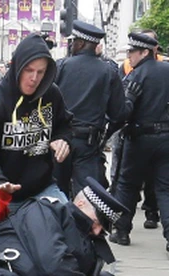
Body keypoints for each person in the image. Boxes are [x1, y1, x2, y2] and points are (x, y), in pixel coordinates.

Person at [0, 33, 73, 209]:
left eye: (41, 72)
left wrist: (63, 139)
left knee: (70, 226)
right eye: (29, 70)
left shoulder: (52, 94)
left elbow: (65, 124)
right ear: (17, 67)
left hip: (43, 188)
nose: (34, 78)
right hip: (6, 193)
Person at [54, 21, 129, 197]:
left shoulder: (61, 66)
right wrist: (104, 136)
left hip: (59, 141)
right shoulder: (108, 71)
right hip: (88, 143)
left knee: (56, 195)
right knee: (87, 200)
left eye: (73, 42)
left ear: (80, 43)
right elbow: (119, 114)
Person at [109, 32, 169, 252]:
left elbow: (123, 113)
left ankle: (122, 231)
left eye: (132, 52)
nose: (129, 56)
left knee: (127, 184)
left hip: (140, 139)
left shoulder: (135, 76)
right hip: (166, 138)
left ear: (145, 52)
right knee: (165, 189)